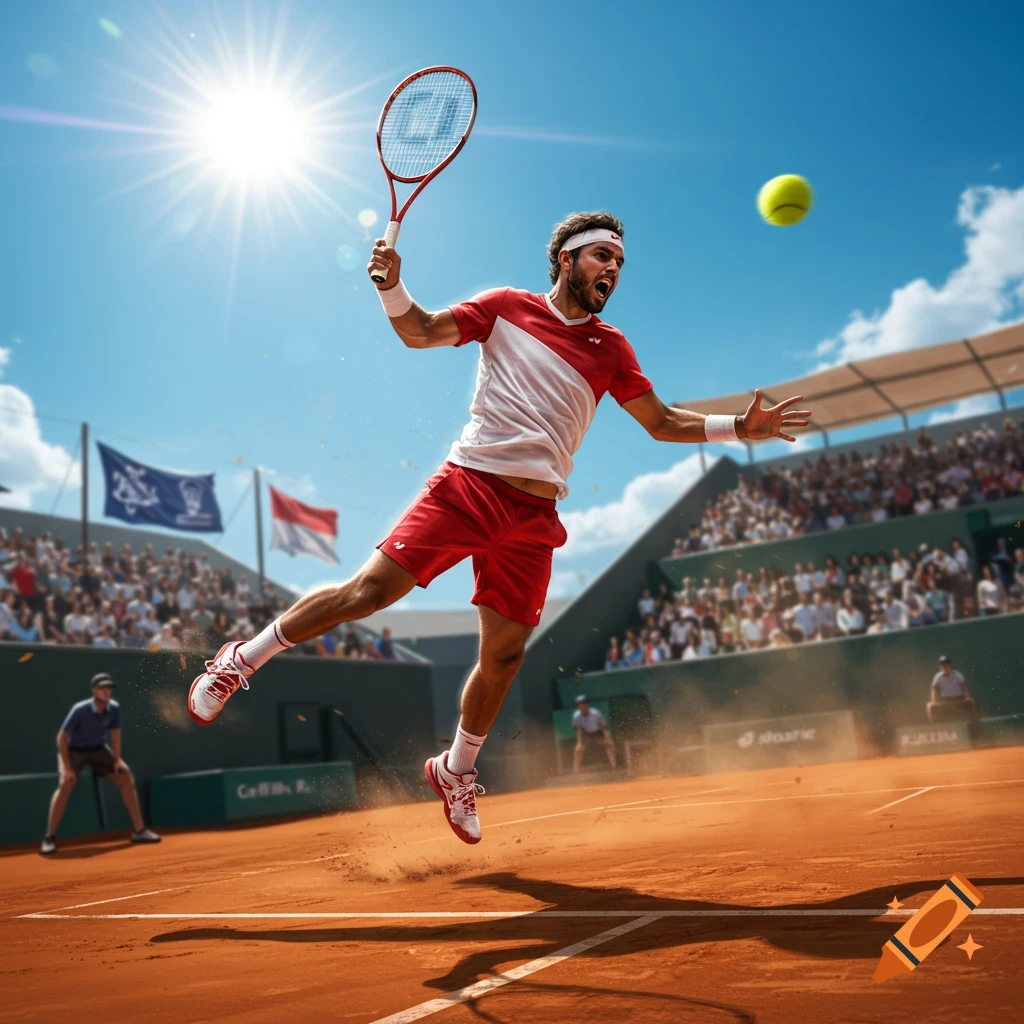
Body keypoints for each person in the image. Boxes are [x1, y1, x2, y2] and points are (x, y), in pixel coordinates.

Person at [187, 211, 811, 846]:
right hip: (469, 486)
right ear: (566, 260)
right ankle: (242, 659)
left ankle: (456, 769)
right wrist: (390, 287)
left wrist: (739, 426)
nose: (612, 271)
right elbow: (421, 333)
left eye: (619, 263)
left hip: (534, 518)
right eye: (601, 258)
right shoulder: (506, 306)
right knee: (367, 595)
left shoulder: (612, 348)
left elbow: (660, 421)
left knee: (504, 656)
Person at [41, 673, 160, 855]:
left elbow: (115, 733)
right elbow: (62, 737)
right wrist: (67, 768)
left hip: (98, 749)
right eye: (102, 688)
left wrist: (118, 759)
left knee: (126, 777)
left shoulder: (113, 708)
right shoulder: (80, 710)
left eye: (109, 688)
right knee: (66, 784)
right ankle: (49, 837)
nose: (106, 692)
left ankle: (139, 830)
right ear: (94, 690)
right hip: (74, 751)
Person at [926, 656, 979, 724]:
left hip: (959, 699)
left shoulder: (957, 674)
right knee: (929, 706)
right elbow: (933, 689)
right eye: (943, 666)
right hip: (946, 700)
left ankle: (976, 722)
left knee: (971, 701)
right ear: (940, 667)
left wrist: (967, 695)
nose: (945, 667)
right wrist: (934, 700)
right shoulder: (938, 676)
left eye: (946, 665)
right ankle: (934, 725)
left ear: (950, 666)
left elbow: (964, 686)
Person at [571, 695, 616, 772]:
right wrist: (579, 743)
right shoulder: (576, 716)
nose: (583, 705)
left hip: (598, 734)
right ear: (578, 706)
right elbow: (579, 730)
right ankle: (575, 773)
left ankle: (614, 768)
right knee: (578, 750)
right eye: (580, 704)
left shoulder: (595, 713)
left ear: (587, 704)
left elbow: (603, 727)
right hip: (586, 735)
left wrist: (607, 738)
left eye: (584, 703)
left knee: (609, 746)